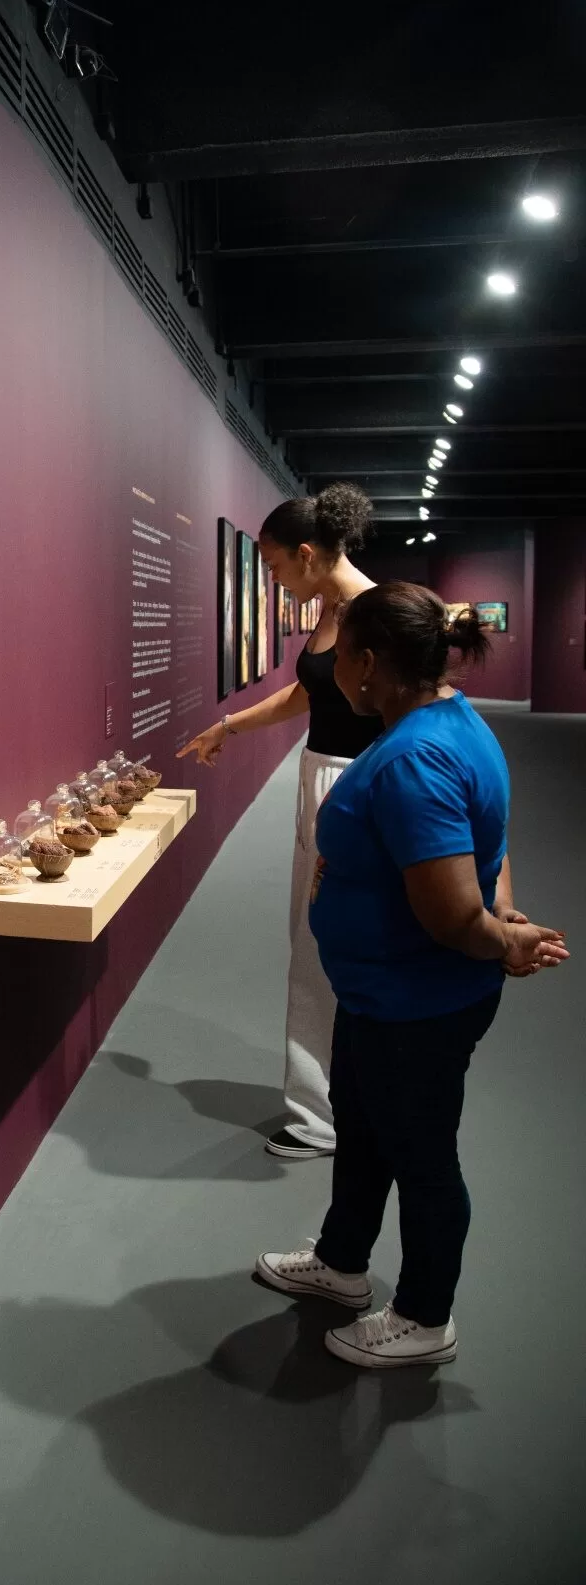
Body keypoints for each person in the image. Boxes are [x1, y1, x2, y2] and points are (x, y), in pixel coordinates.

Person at [256, 584, 568, 1367]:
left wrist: (502, 940)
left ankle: (426, 1317)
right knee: (363, 1131)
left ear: (367, 663)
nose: (334, 673)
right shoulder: (446, 720)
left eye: (341, 659)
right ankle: (342, 1261)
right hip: (381, 996)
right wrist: (504, 915)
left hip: (415, 1004)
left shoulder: (416, 760)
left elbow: (454, 916)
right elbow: (490, 846)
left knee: (423, 1157)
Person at [179, 483, 379, 1159]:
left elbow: (408, 711)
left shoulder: (372, 613)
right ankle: (330, 1103)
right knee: (316, 942)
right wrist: (229, 725)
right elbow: (310, 692)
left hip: (353, 787)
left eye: (273, 565)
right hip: (325, 778)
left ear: (306, 554)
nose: (272, 579)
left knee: (330, 946)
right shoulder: (334, 609)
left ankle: (326, 1117)